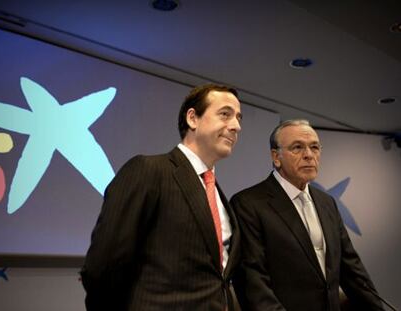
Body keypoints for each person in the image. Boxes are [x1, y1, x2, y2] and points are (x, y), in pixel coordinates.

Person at [81, 84, 243, 310]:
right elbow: (104, 264)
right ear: (193, 118)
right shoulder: (148, 170)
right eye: (225, 114)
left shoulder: (216, 191)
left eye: (238, 118)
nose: (236, 126)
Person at [230, 119, 384, 311]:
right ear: (276, 157)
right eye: (297, 147)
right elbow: (253, 282)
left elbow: (352, 271)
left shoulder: (327, 203)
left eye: (314, 147)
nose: (309, 155)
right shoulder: (248, 203)